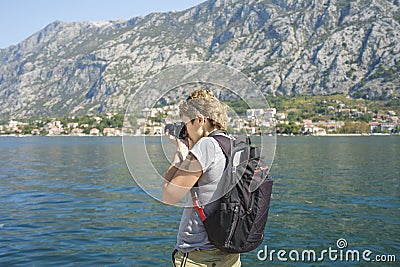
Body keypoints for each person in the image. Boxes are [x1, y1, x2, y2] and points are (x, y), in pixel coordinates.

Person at [162, 88, 241, 267]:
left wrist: (180, 153)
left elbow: (168, 196)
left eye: (186, 125)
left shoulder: (206, 146)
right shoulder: (232, 142)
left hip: (200, 257)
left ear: (199, 119)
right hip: (229, 254)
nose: (185, 131)